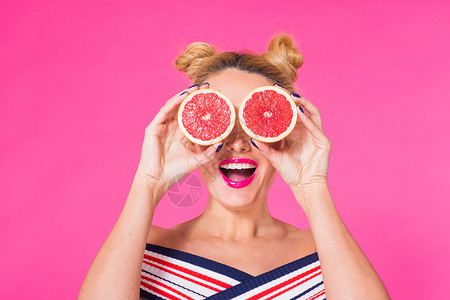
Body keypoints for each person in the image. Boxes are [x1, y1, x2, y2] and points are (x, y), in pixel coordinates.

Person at [78, 34, 390, 299]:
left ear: (285, 135)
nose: (237, 143)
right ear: (192, 135)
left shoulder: (326, 251)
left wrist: (313, 187)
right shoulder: (143, 249)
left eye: (256, 122)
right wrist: (148, 181)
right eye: (220, 122)